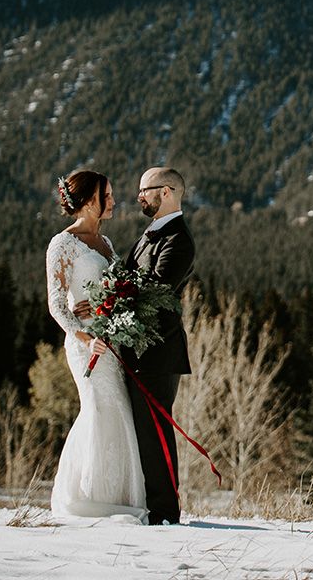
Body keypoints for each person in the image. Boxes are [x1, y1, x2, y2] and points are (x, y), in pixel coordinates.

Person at [45, 169, 146, 520]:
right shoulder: (62, 244)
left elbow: (114, 289)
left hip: (111, 342)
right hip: (85, 345)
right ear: (89, 201)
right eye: (108, 195)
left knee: (119, 411)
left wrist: (113, 306)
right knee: (97, 409)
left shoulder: (107, 244)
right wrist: (85, 336)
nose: (114, 201)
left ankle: (120, 498)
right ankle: (86, 496)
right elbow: (56, 304)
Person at [122, 166, 196, 526]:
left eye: (145, 190)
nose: (139, 197)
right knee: (139, 433)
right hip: (135, 352)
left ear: (166, 192)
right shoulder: (149, 235)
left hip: (159, 353)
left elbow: (156, 289)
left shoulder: (178, 240)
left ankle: (165, 513)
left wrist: (114, 299)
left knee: (156, 436)